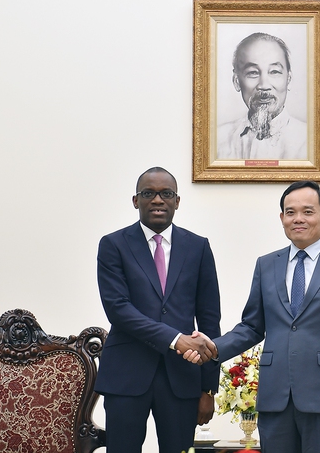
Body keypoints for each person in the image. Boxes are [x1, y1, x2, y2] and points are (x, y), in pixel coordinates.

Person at [184, 181, 320, 453]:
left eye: (308, 212)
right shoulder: (266, 264)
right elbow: (251, 327)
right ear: (282, 218)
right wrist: (212, 347)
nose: (298, 219)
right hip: (275, 397)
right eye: (290, 212)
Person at [95, 166, 222, 453]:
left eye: (166, 193)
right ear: (135, 200)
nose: (157, 200)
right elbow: (119, 310)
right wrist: (175, 339)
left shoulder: (198, 247)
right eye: (148, 193)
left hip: (182, 378)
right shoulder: (113, 245)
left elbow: (209, 320)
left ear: (177, 201)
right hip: (126, 376)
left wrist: (208, 388)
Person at [217, 32, 308, 160]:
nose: (264, 85)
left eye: (274, 72)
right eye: (253, 73)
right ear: (236, 81)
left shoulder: (309, 141)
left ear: (289, 79)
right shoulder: (218, 140)